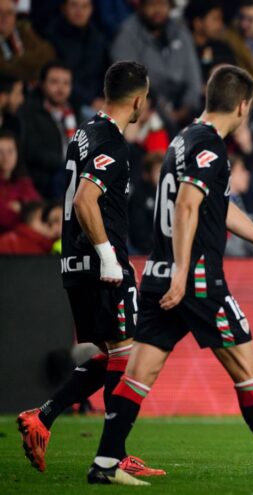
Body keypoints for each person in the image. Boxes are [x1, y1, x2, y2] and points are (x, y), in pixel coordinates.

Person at [91, 66, 253, 486]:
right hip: (197, 279)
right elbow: (187, 206)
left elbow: (215, 208)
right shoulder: (210, 148)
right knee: (248, 367)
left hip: (159, 274)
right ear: (243, 106)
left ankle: (106, 462)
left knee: (139, 372)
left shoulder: (185, 139)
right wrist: (186, 273)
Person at [16, 61, 163, 481]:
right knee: (128, 355)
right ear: (138, 100)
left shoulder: (83, 133)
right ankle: (110, 459)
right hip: (101, 265)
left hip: (75, 263)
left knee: (113, 352)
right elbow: (84, 200)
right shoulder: (111, 141)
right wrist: (109, 257)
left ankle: (44, 417)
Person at [111, 0, 202, 126]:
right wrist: (161, 110)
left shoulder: (180, 31)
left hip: (184, 108)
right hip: (149, 107)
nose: (158, 10)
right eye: (152, 4)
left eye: (163, 4)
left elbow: (193, 80)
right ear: (141, 7)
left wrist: (186, 109)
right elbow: (130, 81)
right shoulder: (127, 34)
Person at [20, 61, 77, 198]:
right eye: (54, 82)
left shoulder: (74, 112)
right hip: (45, 181)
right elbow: (33, 150)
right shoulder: (30, 112)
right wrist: (66, 165)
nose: (61, 89)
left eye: (66, 83)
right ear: (42, 84)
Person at [44, 0, 111, 112]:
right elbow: (58, 80)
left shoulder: (98, 38)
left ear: (91, 9)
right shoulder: (52, 38)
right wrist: (91, 101)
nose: (79, 11)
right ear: (63, 8)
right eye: (74, 5)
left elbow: (107, 73)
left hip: (100, 100)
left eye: (85, 6)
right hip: (70, 102)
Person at [0, 0, 55, 84]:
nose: (4, 18)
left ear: (15, 16)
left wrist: (13, 62)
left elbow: (48, 54)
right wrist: (30, 65)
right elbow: (4, 70)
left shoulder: (24, 31)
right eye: (0, 13)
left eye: (9, 13)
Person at [184, 0, 237, 84]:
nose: (220, 25)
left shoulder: (224, 49)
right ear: (198, 23)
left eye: (220, 19)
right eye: (215, 19)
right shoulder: (183, 51)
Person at [0, 130, 40, 233]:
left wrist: (21, 206)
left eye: (10, 151)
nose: (6, 157)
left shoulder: (24, 182)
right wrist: (25, 211)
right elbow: (4, 219)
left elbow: (38, 209)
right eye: (0, 152)